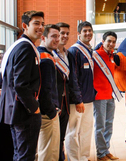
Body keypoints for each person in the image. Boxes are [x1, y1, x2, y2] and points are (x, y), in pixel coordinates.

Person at [0, 10, 44, 161]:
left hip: (14, 111)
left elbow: (0, 81)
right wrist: (34, 108)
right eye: (36, 23)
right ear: (25, 25)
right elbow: (21, 85)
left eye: (43, 24)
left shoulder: (15, 46)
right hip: (25, 113)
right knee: (26, 157)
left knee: (19, 155)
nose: (41, 27)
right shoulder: (26, 48)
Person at [65, 21, 95, 161]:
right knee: (73, 132)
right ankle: (74, 159)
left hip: (89, 99)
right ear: (79, 33)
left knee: (86, 131)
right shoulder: (74, 51)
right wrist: (78, 99)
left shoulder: (90, 49)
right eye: (84, 31)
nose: (88, 33)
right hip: (77, 101)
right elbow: (73, 77)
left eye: (90, 30)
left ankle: (84, 157)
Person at [55, 22, 83, 161]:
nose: (65, 36)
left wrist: (78, 99)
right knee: (52, 139)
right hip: (53, 104)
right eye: (62, 33)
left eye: (67, 33)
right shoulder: (50, 54)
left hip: (65, 103)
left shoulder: (68, 54)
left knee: (61, 137)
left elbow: (73, 79)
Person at [93, 31, 120, 161]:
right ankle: (100, 153)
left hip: (110, 96)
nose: (111, 44)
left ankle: (106, 150)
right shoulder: (95, 55)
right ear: (103, 41)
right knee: (100, 126)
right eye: (109, 41)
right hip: (98, 97)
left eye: (113, 42)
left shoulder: (112, 56)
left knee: (109, 124)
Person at [37, 24, 60, 161]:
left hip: (46, 111)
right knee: (48, 152)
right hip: (47, 114)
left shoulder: (46, 54)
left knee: (48, 150)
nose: (57, 39)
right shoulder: (45, 58)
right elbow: (45, 89)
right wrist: (52, 111)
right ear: (43, 37)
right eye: (53, 36)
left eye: (58, 36)